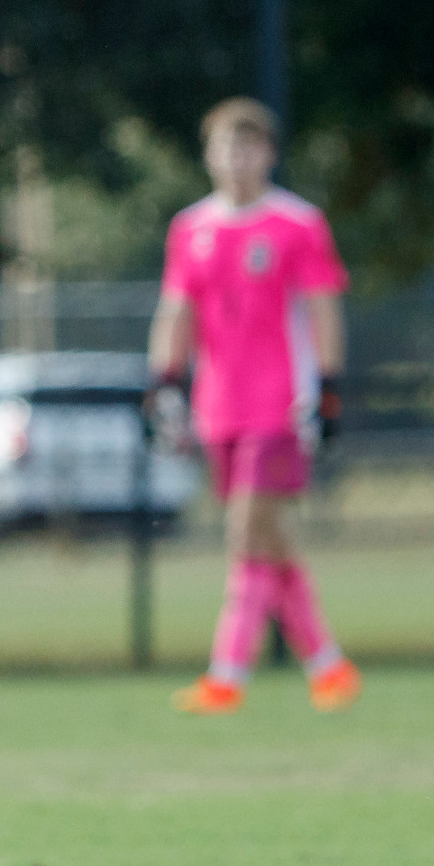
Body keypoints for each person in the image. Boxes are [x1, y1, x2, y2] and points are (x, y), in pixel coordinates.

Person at [149, 97, 361, 715]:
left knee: (245, 531)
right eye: (226, 148)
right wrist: (163, 380)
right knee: (268, 538)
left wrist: (328, 388)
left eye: (248, 147)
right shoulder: (191, 228)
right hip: (218, 407)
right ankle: (329, 666)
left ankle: (226, 675)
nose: (237, 160)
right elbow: (176, 309)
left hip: (282, 405)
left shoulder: (298, 224)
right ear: (209, 157)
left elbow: (323, 308)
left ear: (267, 154)